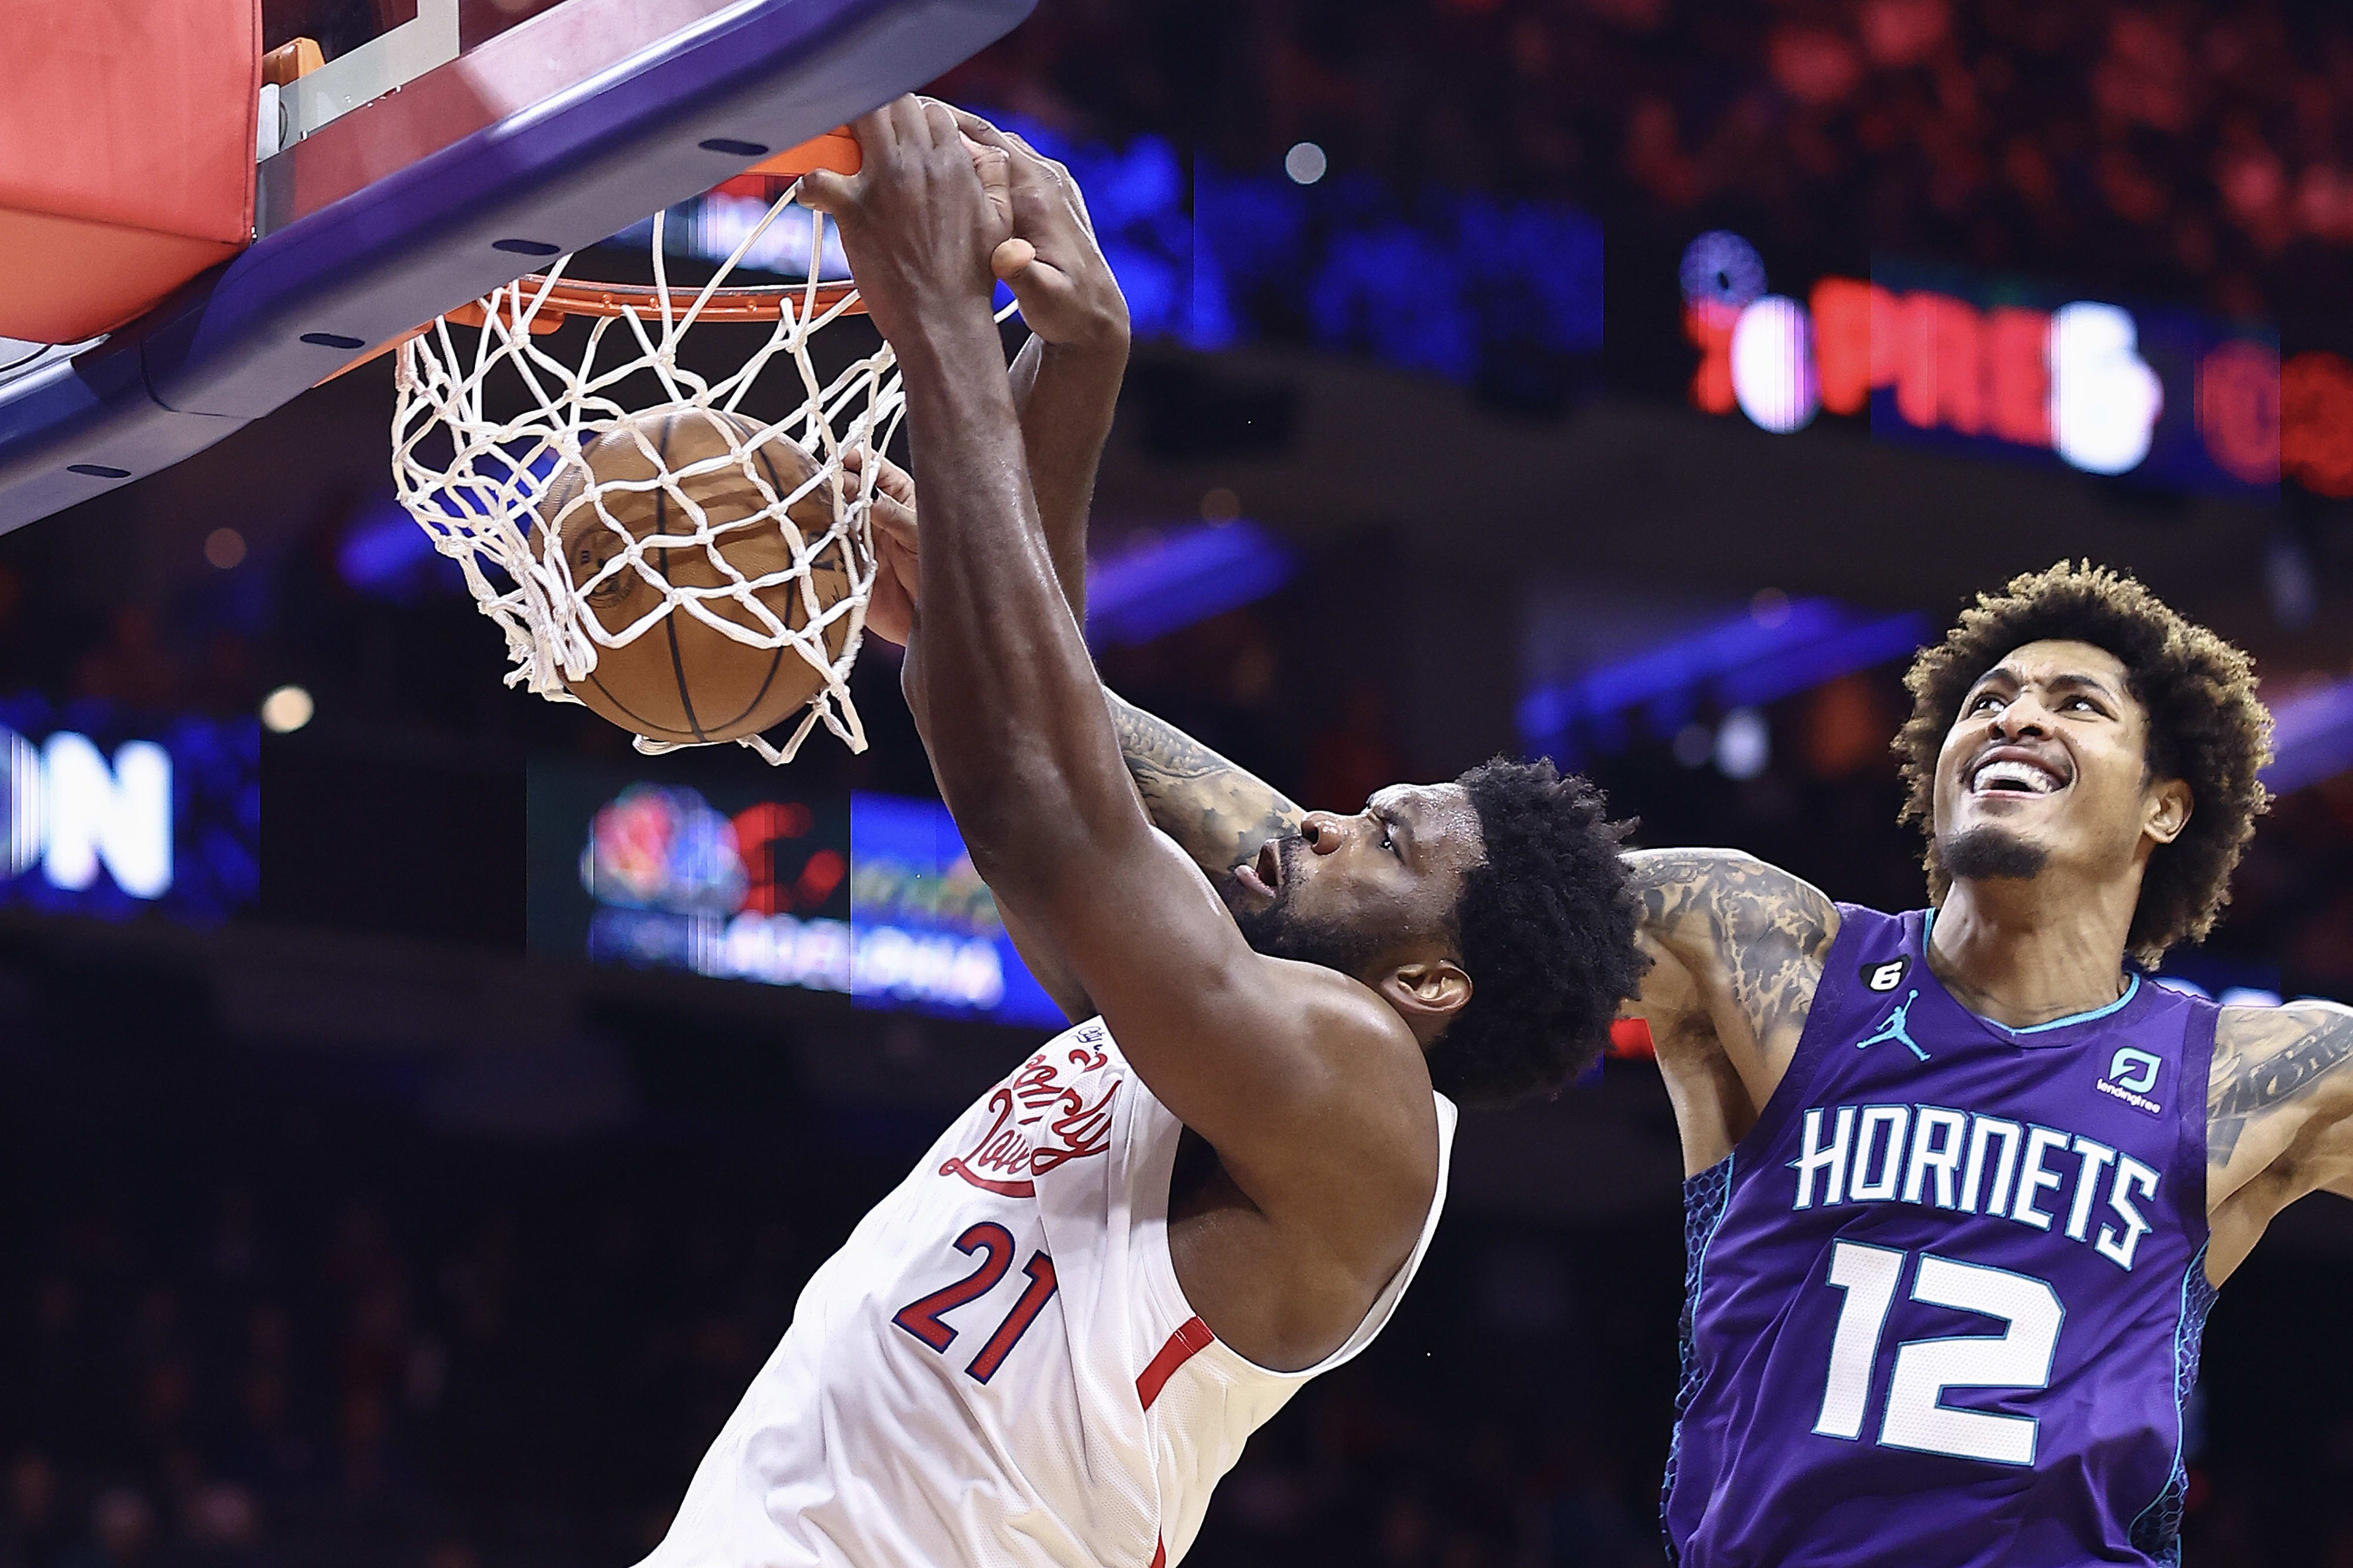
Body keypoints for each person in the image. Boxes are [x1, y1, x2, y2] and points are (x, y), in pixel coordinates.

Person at [632, 100, 1648, 1568]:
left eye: (1383, 841)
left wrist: (939, 331)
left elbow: (1041, 808)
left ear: (1433, 982)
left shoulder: (1358, 1092)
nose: (1315, 817)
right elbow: (998, 736)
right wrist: (1076, 369)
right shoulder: (1197, 1033)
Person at [1055, 545, 2351, 1564]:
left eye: (2074, 703)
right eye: (1988, 699)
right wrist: (1013, 658)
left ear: (2166, 806)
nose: (2013, 718)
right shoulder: (1769, 953)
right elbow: (1350, 873)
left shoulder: (2244, 1074)